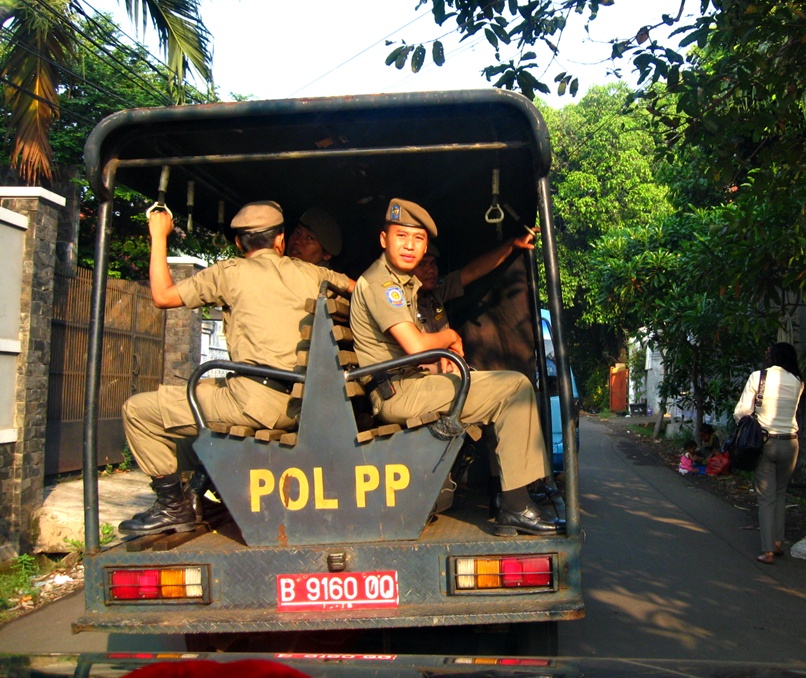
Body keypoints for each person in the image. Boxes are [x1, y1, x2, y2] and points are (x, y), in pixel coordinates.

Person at [118, 201, 354, 536]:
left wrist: (159, 235)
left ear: (240, 244)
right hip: (299, 403)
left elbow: (163, 296)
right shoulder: (314, 274)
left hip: (253, 403)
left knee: (139, 411)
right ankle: (196, 492)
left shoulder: (229, 272)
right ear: (280, 241)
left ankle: (173, 508)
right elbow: (361, 291)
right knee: (200, 395)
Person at [349, 198, 564, 536]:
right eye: (401, 236)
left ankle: (511, 495)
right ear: (383, 239)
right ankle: (515, 504)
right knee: (514, 388)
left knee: (503, 389)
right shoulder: (383, 285)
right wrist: (450, 337)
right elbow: (415, 346)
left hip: (413, 383)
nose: (410, 246)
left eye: (418, 239)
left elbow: (469, 273)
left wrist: (510, 245)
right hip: (399, 393)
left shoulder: (405, 283)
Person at [734, 342, 805, 564]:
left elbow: (742, 412)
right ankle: (777, 542)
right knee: (781, 494)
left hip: (766, 443)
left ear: (773, 356)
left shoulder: (758, 377)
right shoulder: (798, 382)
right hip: (791, 443)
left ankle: (767, 552)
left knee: (766, 498)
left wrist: (745, 424)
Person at [414, 231, 537, 335]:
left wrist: (511, 246)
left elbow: (472, 271)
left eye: (433, 263)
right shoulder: (404, 298)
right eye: (422, 264)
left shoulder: (437, 290)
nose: (430, 270)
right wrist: (451, 339)